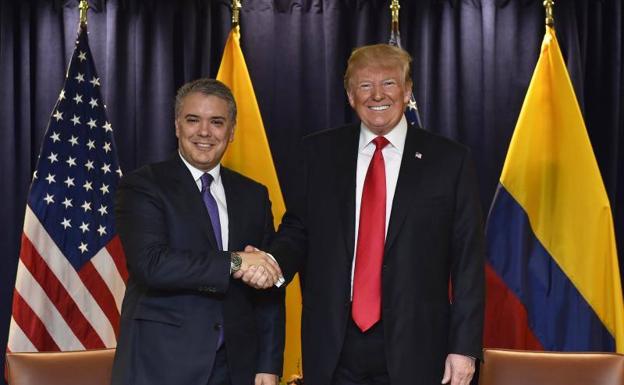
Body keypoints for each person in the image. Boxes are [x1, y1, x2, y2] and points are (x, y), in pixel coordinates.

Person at [266, 44, 485, 385]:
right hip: (334, 345)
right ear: (350, 94)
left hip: (419, 346)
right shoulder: (318, 153)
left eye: (389, 83)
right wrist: (272, 264)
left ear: (408, 91)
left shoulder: (450, 161)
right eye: (365, 85)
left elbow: (469, 261)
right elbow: (299, 230)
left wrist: (465, 348)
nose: (377, 95)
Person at [111, 78, 284, 385]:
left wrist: (268, 364)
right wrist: (236, 262)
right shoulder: (143, 185)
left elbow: (267, 285)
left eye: (217, 122)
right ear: (177, 126)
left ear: (231, 132)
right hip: (160, 364)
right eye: (193, 120)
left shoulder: (253, 195)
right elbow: (152, 264)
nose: (204, 132)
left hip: (237, 369)